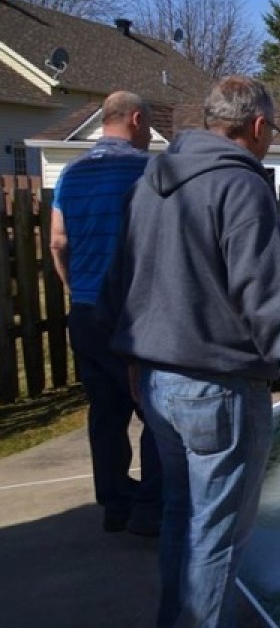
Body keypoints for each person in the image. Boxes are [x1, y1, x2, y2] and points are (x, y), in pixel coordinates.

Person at [100, 75, 280, 627]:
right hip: (219, 389)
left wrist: (134, 360)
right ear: (256, 126)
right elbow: (269, 299)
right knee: (217, 537)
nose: (270, 140)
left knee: (182, 517)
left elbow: (121, 281)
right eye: (272, 131)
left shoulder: (150, 182)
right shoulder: (242, 187)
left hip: (158, 383)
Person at [49, 90, 162, 536]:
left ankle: (115, 504)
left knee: (106, 412)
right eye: (148, 124)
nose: (149, 134)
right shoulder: (147, 171)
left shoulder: (71, 174)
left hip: (85, 311)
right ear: (135, 119)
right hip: (135, 312)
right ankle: (151, 507)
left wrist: (74, 287)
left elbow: (58, 242)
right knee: (154, 408)